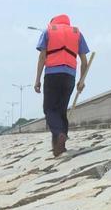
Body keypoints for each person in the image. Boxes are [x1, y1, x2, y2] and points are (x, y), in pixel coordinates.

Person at [34, 14, 89, 156]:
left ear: (53, 22)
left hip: (52, 73)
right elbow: (84, 61)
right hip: (69, 75)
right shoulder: (77, 33)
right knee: (61, 109)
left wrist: (37, 80)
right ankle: (59, 147)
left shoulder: (47, 31)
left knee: (49, 109)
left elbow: (42, 58)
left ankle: (59, 135)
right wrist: (81, 80)